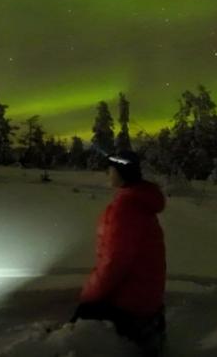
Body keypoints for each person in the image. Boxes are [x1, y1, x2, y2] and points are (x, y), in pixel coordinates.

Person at [72, 151, 167, 354]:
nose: (108, 173)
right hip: (147, 297)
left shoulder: (125, 208)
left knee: (81, 319)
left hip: (132, 301)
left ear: (120, 172)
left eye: (111, 169)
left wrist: (89, 296)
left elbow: (114, 262)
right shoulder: (140, 202)